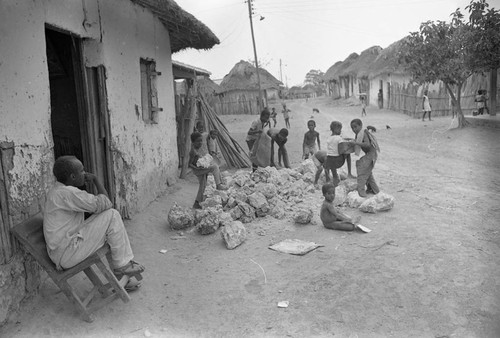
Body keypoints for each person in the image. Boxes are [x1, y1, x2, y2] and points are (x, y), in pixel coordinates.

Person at [44, 156, 144, 291]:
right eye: (82, 171)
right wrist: (96, 180)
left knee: (108, 224)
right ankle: (122, 266)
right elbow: (106, 203)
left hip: (65, 250)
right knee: (112, 215)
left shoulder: (59, 191)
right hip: (67, 253)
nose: (85, 174)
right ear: (73, 176)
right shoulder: (67, 193)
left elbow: (99, 206)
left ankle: (121, 274)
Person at [189, 132, 227, 209]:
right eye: (198, 141)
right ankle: (219, 184)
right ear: (193, 142)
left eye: (201, 141)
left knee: (203, 185)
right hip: (198, 170)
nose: (200, 143)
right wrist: (198, 168)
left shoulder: (197, 148)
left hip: (201, 168)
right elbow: (189, 164)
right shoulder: (193, 151)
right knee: (215, 167)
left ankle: (197, 203)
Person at [349, 118, 380, 197]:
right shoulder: (358, 134)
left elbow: (367, 144)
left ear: (361, 126)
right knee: (367, 172)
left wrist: (356, 143)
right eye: (352, 128)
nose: (354, 129)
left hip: (371, 154)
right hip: (369, 154)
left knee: (362, 170)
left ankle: (361, 192)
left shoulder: (364, 133)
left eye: (355, 127)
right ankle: (373, 189)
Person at [325, 121, 354, 186]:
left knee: (332, 157)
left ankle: (333, 178)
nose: (341, 131)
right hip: (338, 162)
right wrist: (347, 148)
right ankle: (349, 173)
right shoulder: (339, 138)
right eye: (340, 129)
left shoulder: (329, 138)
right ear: (336, 129)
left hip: (329, 161)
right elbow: (341, 151)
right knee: (348, 154)